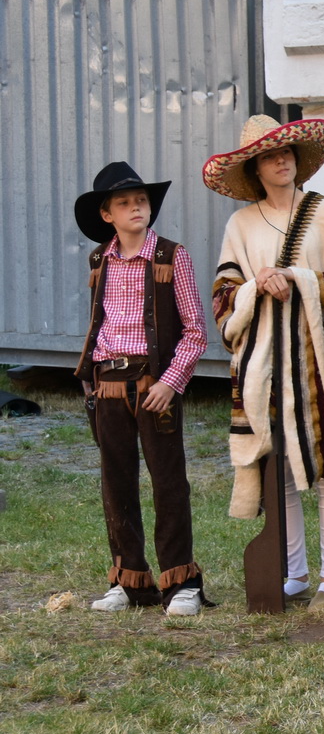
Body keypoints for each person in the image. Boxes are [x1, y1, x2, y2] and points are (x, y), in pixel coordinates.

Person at [205, 115, 324, 613]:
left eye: (287, 152)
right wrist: (258, 284)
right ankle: (295, 572)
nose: (281, 161)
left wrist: (298, 278)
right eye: (270, 155)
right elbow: (224, 294)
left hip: (319, 362)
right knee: (283, 470)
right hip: (265, 365)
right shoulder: (240, 224)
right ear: (255, 168)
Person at [74, 162, 208, 615]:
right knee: (116, 483)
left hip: (155, 385)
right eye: (124, 203)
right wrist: (91, 380)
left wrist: (172, 382)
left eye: (142, 201)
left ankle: (181, 583)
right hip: (108, 384)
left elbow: (195, 331)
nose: (136, 208)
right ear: (107, 214)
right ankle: (130, 580)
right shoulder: (100, 260)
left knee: (168, 482)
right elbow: (99, 323)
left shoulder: (171, 256)